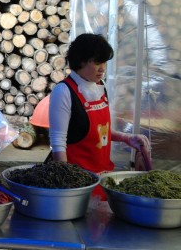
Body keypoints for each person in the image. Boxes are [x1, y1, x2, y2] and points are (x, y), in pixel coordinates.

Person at [48, 33, 150, 194]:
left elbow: (100, 131)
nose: (102, 68)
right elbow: (58, 142)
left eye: (104, 62)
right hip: (78, 183)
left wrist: (127, 138)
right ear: (81, 61)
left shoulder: (100, 86)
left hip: (103, 178)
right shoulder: (63, 91)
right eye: (97, 62)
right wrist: (66, 185)